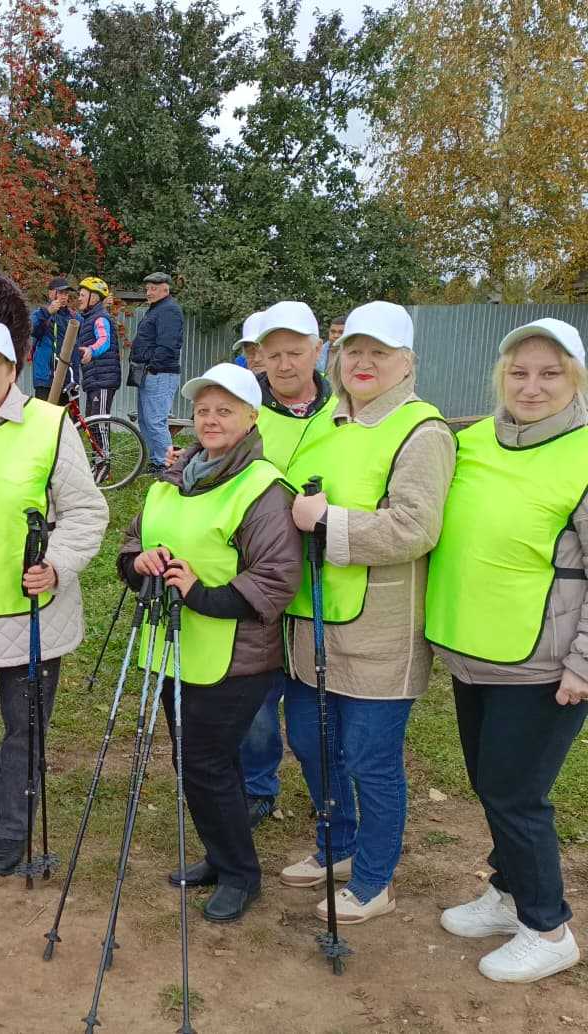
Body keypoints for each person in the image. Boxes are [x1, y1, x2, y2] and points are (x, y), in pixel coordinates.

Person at [283, 301, 455, 924]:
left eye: (379, 353)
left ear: (406, 363)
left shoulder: (422, 430)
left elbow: (416, 526)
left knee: (369, 759)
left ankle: (376, 877)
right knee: (309, 741)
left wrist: (329, 522)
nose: (363, 362)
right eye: (354, 350)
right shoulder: (326, 421)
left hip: (381, 630)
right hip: (313, 619)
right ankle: (340, 846)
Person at [426, 318, 588, 982]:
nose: (532, 385)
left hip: (544, 663)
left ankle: (548, 928)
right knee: (492, 785)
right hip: (474, 651)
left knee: (516, 794)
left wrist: (583, 663)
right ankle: (508, 892)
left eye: (550, 373)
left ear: (574, 380)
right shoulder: (472, 443)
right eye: (519, 372)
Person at [118, 363, 301, 922]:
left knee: (208, 764)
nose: (211, 419)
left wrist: (200, 592)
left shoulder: (264, 487)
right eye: (203, 410)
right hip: (176, 650)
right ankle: (221, 859)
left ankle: (242, 876)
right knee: (194, 762)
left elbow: (276, 579)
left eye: (225, 410)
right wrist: (138, 562)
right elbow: (131, 544)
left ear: (251, 418)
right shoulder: (175, 476)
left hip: (235, 660)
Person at [0, 317, 108, 876]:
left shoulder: (51, 425)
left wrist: (55, 564)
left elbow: (86, 510)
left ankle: (11, 828)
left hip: (31, 611)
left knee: (23, 730)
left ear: (13, 369)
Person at [238, 301, 338, 827]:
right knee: (256, 699)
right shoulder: (245, 412)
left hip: (328, 577)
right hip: (259, 576)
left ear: (317, 350)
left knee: (317, 708)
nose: (284, 364)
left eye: (295, 352)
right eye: (272, 355)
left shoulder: (346, 410)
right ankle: (257, 786)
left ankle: (334, 797)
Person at [131, 272, 184, 474]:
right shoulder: (157, 309)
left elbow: (168, 345)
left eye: (153, 288)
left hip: (160, 373)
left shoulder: (169, 310)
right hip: (150, 373)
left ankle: (168, 465)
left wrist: (152, 366)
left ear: (165, 289)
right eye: (147, 289)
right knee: (146, 420)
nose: (149, 292)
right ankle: (157, 461)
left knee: (155, 421)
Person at [75, 276, 121, 485]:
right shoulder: (87, 318)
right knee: (92, 423)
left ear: (94, 298)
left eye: (83, 295)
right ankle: (98, 463)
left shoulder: (100, 318)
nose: (79, 298)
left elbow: (104, 340)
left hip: (103, 379)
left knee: (100, 423)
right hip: (94, 379)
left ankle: (104, 466)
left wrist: (91, 351)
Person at [30, 276, 77, 400]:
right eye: (60, 292)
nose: (64, 297)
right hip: (46, 378)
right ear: (50, 293)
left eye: (66, 293)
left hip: (67, 379)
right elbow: (31, 328)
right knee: (45, 418)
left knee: (69, 419)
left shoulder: (73, 317)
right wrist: (47, 312)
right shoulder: (41, 313)